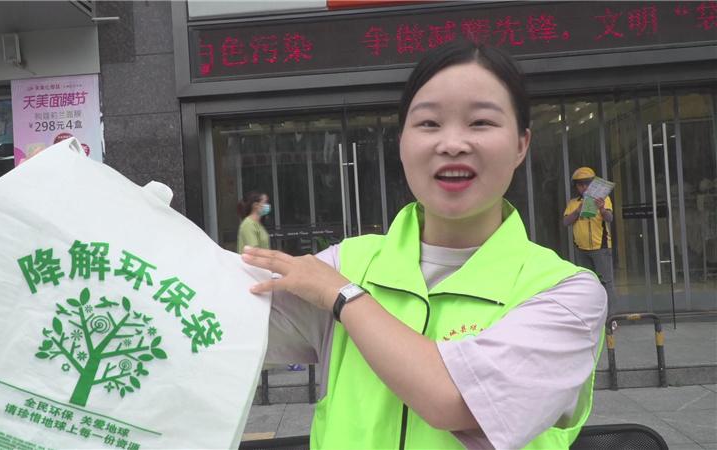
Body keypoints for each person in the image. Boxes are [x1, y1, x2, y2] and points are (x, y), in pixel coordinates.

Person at [242, 41, 607, 449]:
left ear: (521, 144)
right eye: (429, 123)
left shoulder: (565, 294)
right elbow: (218, 320)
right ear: (402, 142)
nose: (452, 144)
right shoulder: (348, 262)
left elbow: (452, 399)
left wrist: (343, 297)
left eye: (480, 122)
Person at [237, 192, 305, 371]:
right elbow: (253, 251)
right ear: (256, 205)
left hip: (262, 275)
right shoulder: (248, 225)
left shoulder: (256, 224)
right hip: (255, 276)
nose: (267, 206)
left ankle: (282, 357)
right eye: (264, 202)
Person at [563, 166, 616, 326]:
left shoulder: (604, 199)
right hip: (581, 249)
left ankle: (610, 319)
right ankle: (591, 319)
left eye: (587, 184)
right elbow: (565, 222)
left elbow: (609, 218)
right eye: (580, 184)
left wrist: (601, 209)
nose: (584, 187)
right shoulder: (573, 203)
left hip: (601, 248)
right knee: (587, 284)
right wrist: (577, 211)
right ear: (576, 187)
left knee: (606, 283)